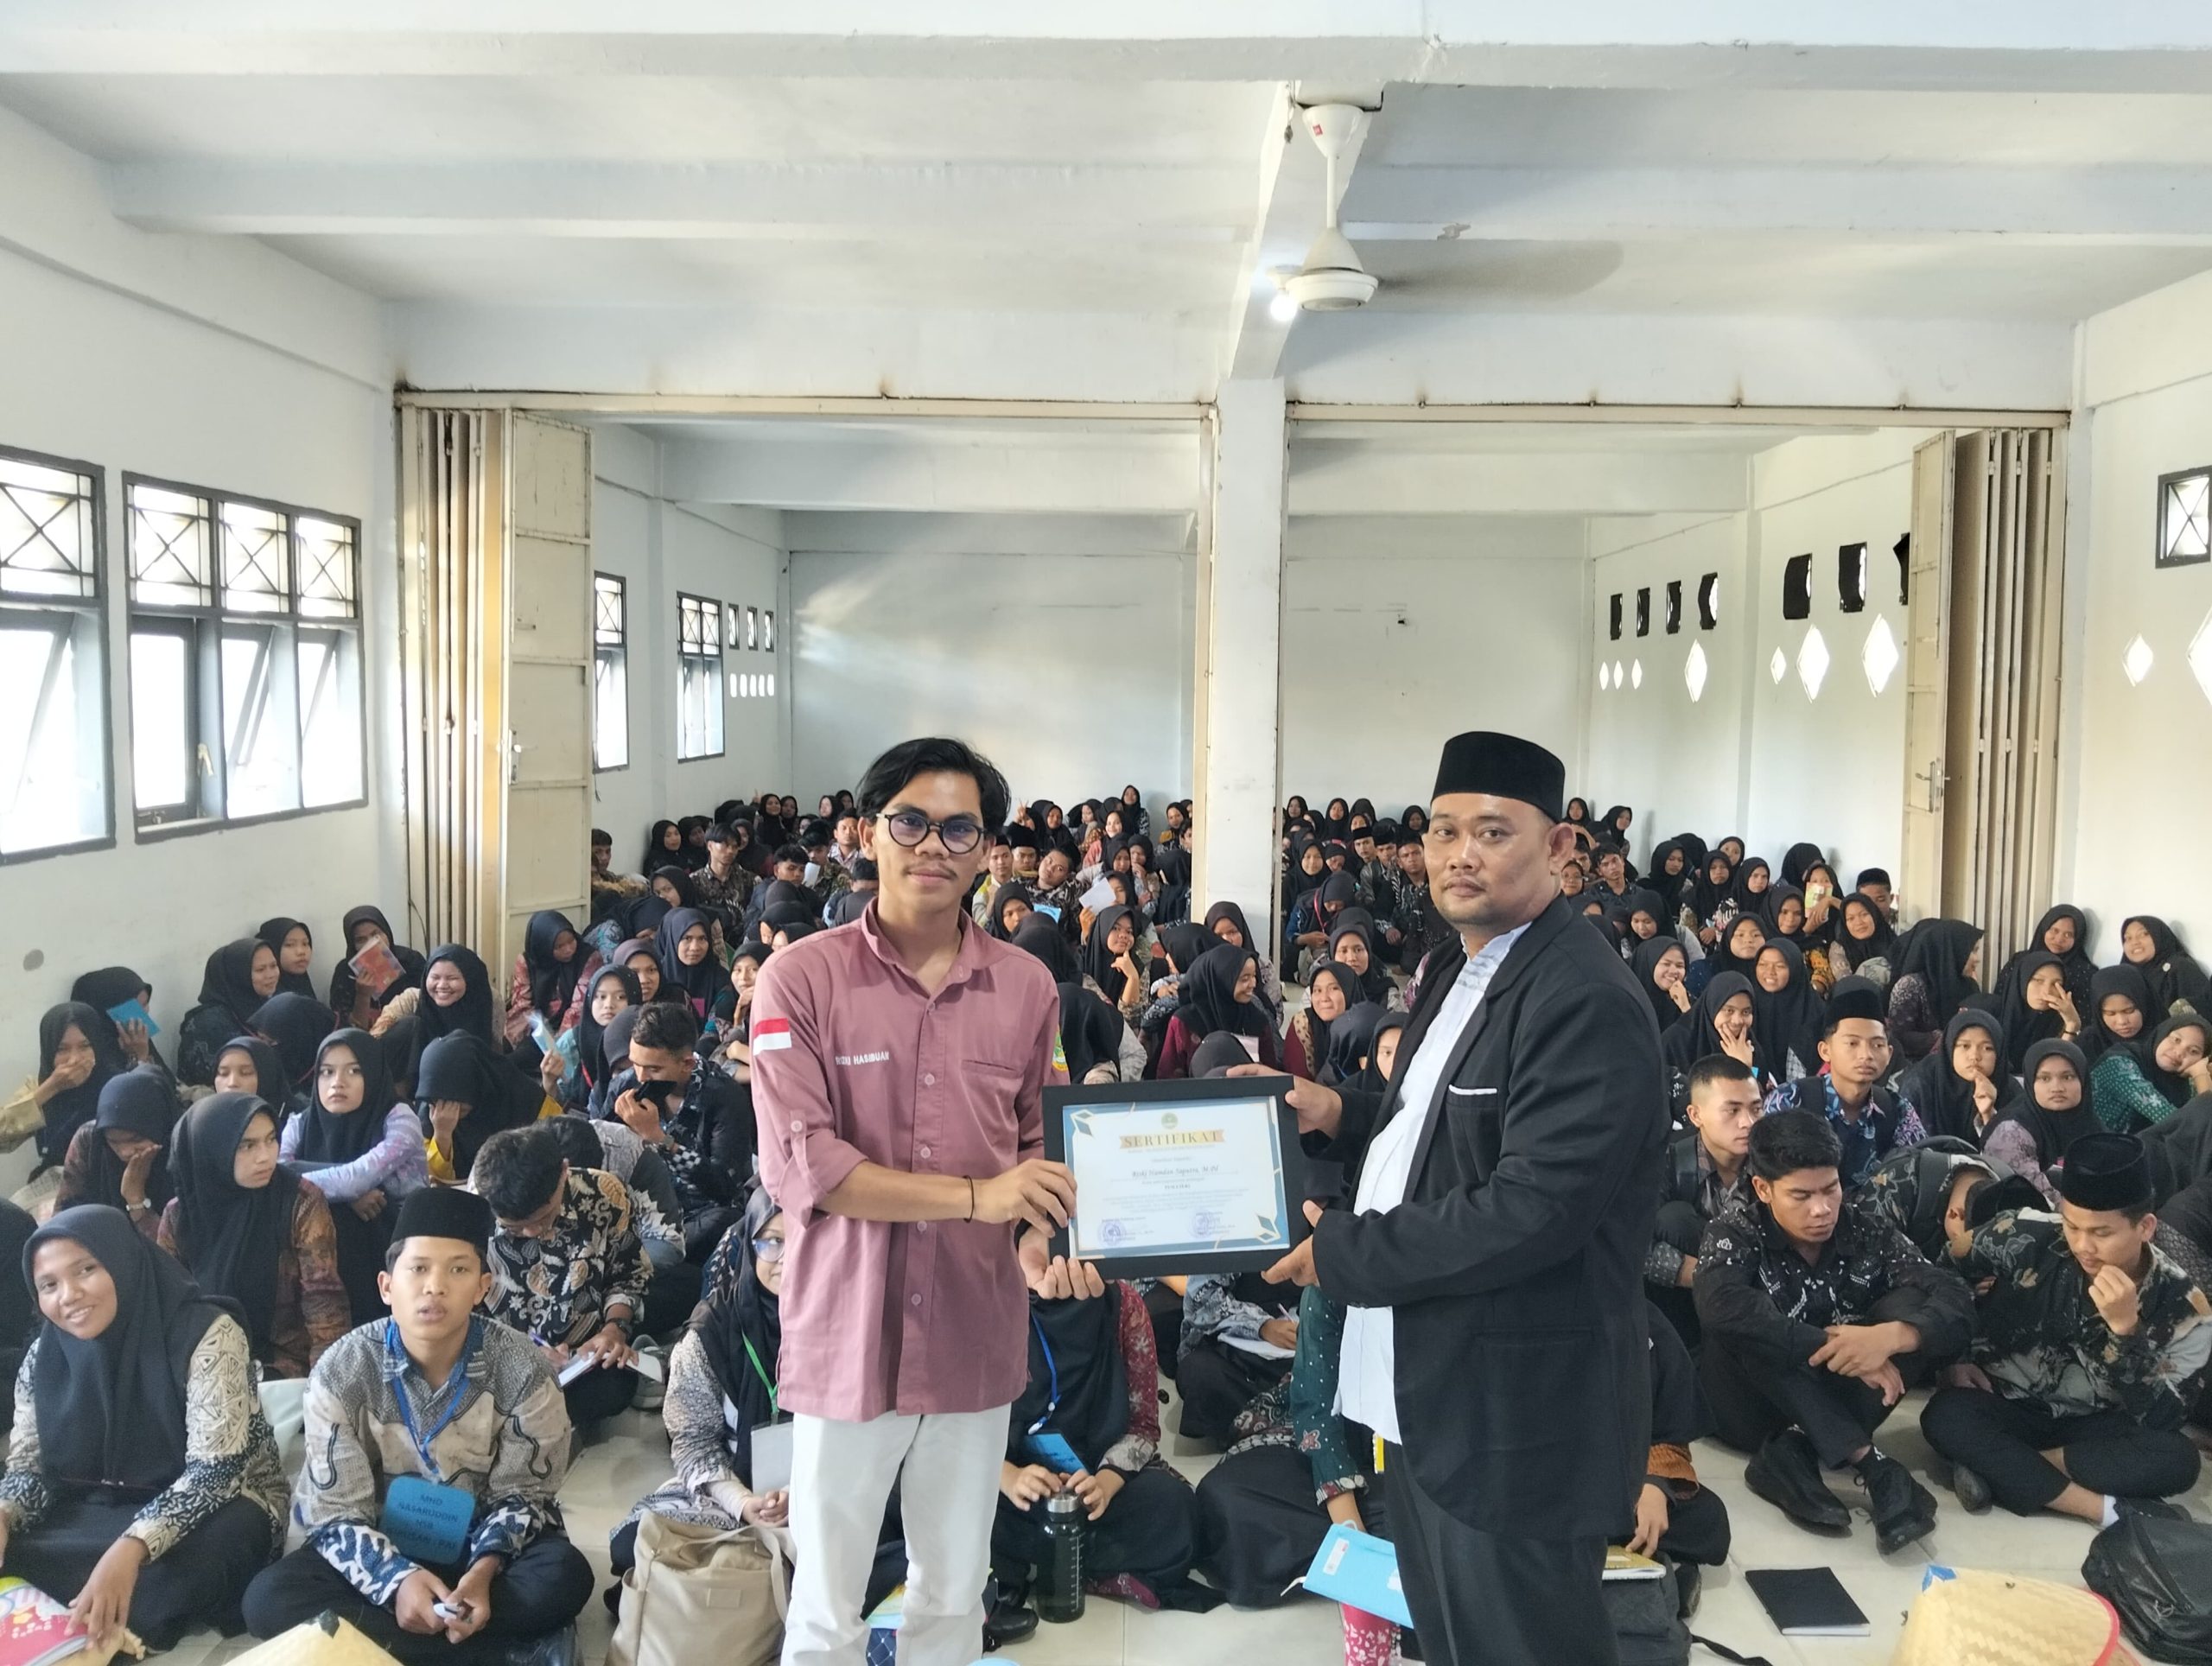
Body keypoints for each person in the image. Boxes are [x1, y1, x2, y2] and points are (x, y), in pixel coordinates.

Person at [1256, 732, 1666, 1666]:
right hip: (1430, 1392)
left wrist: (1342, 1252)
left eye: (1491, 831)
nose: (1460, 854)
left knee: (1520, 1644)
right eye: (1443, 831)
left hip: (1514, 1417)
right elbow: (1437, 1126)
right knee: (1449, 1640)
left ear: (1559, 846)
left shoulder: (1581, 996)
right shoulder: (1456, 963)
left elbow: (1534, 1208)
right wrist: (1338, 1112)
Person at [749, 736, 1099, 1666]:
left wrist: (1037, 1241)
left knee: (953, 1594)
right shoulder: (801, 979)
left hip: (972, 1329)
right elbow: (809, 1168)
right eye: (910, 822)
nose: (932, 846)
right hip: (849, 1330)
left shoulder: (1025, 986)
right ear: (867, 833)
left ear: (987, 849)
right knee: (827, 1604)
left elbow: (1039, 1143)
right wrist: (980, 1198)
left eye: (959, 828)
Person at [241, 1188, 593, 1664]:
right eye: (419, 1268)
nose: (435, 1287)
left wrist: (481, 1573)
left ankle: (403, 1645)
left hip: (481, 1549)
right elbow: (337, 1510)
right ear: (387, 1286)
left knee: (564, 1575)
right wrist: (396, 1581)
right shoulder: (342, 1370)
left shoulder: (523, 1367)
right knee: (268, 1600)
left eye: (458, 1270)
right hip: (380, 1542)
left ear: (483, 1287)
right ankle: (476, 1650)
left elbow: (525, 1494)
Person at [0, 1206, 288, 1650]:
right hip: (97, 1502)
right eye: (49, 1285)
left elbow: (215, 1473)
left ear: (123, 1261)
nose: (69, 1295)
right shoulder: (43, 1358)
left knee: (197, 1559)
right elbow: (30, 1471)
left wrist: (132, 1548)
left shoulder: (208, 1334)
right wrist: (3, 1514)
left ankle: (98, 1621)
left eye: (86, 1270)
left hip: (223, 1504)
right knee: (14, 1547)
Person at [1692, 1110, 1972, 1553]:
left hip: (1835, 1398)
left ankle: (1792, 1456)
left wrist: (1891, 1338)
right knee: (1751, 1325)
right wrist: (1831, 1344)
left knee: (1912, 1309)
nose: (1821, 1209)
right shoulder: (1735, 1230)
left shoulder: (1865, 1229)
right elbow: (1719, 1307)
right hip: (1749, 1408)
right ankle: (1875, 1466)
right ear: (1763, 1189)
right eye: (1801, 1196)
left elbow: (1954, 1295)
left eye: (1830, 1189)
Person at [1924, 1133, 2209, 1524]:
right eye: (2073, 1225)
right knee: (1944, 1416)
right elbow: (1942, 1272)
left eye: (2101, 1233)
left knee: (2178, 1460)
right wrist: (1955, 1358)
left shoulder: (2184, 1307)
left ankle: (2001, 1468)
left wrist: (2127, 1334)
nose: (2083, 1246)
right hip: (2005, 1401)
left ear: (2145, 1227)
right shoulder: (2025, 1233)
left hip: (2091, 1427)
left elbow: (2165, 1419)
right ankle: (2109, 1511)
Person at [994, 1282, 1200, 1613]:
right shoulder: (990, 1296)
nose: (1055, 1264)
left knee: (1175, 1508)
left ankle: (1028, 1565)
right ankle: (1068, 1564)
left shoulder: (1121, 1304)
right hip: (1010, 1484)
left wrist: (1103, 1485)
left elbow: (1142, 1427)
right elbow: (955, 1426)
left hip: (1095, 1479)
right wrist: (1008, 1476)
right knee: (931, 1496)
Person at [161, 1091, 348, 1379]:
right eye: (247, 1145)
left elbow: (324, 1303)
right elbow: (168, 1307)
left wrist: (326, 1387)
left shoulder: (299, 1200)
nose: (265, 1157)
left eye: (271, 1139)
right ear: (212, 1150)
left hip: (285, 1366)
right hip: (205, 1364)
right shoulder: (181, 1214)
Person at [472, 1124, 648, 1428]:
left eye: (544, 1218)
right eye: (515, 1228)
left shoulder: (602, 1193)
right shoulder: (471, 1215)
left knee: (615, 1385)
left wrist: (614, 1330)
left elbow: (627, 1275)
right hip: (504, 1358)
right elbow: (463, 1316)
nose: (533, 1232)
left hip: (582, 1356)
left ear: (564, 1171)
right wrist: (521, 1357)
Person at [286, 1030, 429, 1321]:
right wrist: (346, 1197)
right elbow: (277, 1175)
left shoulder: (400, 1120)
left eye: (354, 1071)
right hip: (322, 1255)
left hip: (397, 1250)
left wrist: (334, 1186)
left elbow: (356, 1178)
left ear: (373, 1072)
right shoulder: (301, 1121)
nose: (337, 1082)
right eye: (327, 1072)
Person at [600, 1001, 752, 1260]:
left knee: (725, 1221)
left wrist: (661, 1140)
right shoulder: (626, 1087)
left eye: (654, 1069)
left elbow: (726, 1187)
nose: (641, 1076)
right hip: (640, 1206)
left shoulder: (724, 1096)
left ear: (687, 1064)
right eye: (635, 1063)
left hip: (698, 1214)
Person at [1760, 980, 1929, 1189]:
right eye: (1852, 1043)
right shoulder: (1789, 1101)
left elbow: (1921, 1172)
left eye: (1877, 1045)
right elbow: (1769, 1175)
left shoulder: (1897, 1110)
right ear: (1825, 1051)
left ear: (1889, 1054)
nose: (1866, 1055)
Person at [1646, 1056, 1762, 1348]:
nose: (1748, 1123)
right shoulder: (1665, 1160)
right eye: (1732, 1110)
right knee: (1673, 1219)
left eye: (1756, 1108)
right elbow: (1631, 1244)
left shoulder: (1773, 1161)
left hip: (1760, 1286)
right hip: (1685, 1298)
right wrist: (1711, 1278)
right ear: (1695, 1115)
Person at [53, 1067, 175, 1242]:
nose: (125, 1152)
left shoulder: (184, 1150)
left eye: (136, 1139)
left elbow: (175, 1251)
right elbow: (63, 1219)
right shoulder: (90, 1141)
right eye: (113, 1142)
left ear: (160, 1127)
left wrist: (136, 1200)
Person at [6, 1003, 130, 1172]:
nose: (74, 1059)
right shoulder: (40, 1086)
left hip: (105, 1180)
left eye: (85, 1046)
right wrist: (50, 1089)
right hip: (54, 1178)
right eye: (62, 1049)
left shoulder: (120, 1086)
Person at [418, 1032, 550, 1187]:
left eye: (457, 1098)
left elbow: (554, 1145)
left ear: (478, 1082)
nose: (450, 1109)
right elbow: (432, 1182)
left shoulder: (522, 1096)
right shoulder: (432, 1112)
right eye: (439, 1101)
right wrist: (442, 1136)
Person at [1897, 1009, 2023, 1147]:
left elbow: (2015, 1152)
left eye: (1987, 1048)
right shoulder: (1921, 1082)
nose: (1975, 1056)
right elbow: (1902, 1144)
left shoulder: (2010, 1091)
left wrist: (1988, 1115)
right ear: (1949, 1047)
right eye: (1965, 1046)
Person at [1156, 944, 1284, 1079]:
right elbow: (1168, 1077)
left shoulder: (1256, 1020)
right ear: (1222, 980)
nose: (1253, 984)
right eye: (1245, 979)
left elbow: (1270, 1076)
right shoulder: (1185, 1023)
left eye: (1254, 976)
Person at [178, 939, 281, 1087]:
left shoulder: (265, 1005)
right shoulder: (209, 1023)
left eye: (274, 966)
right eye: (260, 970)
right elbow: (225, 1081)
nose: (271, 975)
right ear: (238, 976)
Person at [2091, 1012, 2212, 1133]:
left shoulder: (2181, 1084)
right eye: (2176, 1040)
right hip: (2092, 1142)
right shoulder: (2120, 1065)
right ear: (2163, 1034)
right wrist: (2201, 1076)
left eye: (2193, 1051)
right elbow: (2182, 1126)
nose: (2179, 1052)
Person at [1885, 919, 1984, 1064]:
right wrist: (1941, 1038)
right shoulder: (1911, 985)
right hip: (1917, 1067)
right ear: (1951, 951)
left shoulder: (1969, 986)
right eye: (1972, 951)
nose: (1977, 959)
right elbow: (1899, 1037)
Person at [328, 906, 426, 1032]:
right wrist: (363, 995)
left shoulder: (410, 961)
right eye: (361, 940)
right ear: (352, 945)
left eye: (376, 934)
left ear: (387, 933)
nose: (371, 943)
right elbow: (349, 1030)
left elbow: (427, 1009)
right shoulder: (345, 973)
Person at [505, 912, 591, 1048]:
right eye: (559, 946)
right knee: (521, 1053)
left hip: (571, 1033)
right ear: (544, 945)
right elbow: (523, 1005)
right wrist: (541, 1036)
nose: (569, 950)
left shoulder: (588, 959)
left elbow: (578, 1009)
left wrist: (558, 1047)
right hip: (537, 1027)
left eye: (571, 941)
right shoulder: (528, 961)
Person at [2120, 914, 2211, 1019]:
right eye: (2128, 938)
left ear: (2159, 936)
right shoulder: (2123, 976)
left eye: (2144, 934)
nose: (2135, 942)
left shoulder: (2179, 968)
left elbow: (2202, 1012)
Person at [258, 918, 319, 1001]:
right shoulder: (269, 997)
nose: (301, 952)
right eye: (290, 945)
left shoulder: (302, 983)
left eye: (305, 944)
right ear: (273, 949)